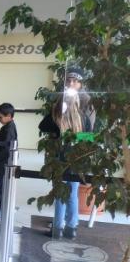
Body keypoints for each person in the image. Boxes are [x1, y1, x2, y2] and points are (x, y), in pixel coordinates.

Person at [39, 89, 88, 239]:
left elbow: (42, 126)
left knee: (60, 194)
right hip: (76, 160)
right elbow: (89, 137)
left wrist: (55, 110)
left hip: (59, 160)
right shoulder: (83, 117)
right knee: (73, 195)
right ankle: (71, 228)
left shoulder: (56, 116)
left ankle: (58, 228)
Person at [0, 103, 18, 218]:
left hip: (4, 163)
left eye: (0, 117)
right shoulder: (8, 126)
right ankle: (1, 205)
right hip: (5, 161)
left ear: (9, 116)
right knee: (2, 185)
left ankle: (2, 208)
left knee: (3, 186)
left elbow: (5, 148)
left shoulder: (8, 129)